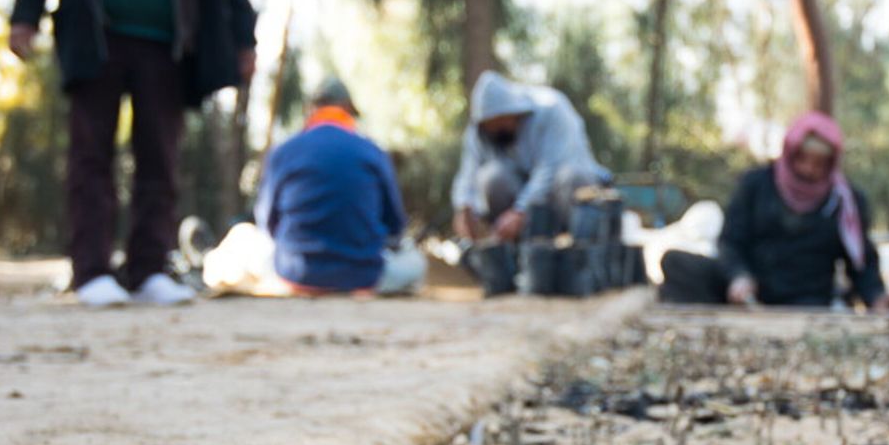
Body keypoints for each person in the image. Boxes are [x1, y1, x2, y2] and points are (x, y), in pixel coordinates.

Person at [9, 0, 257, 307]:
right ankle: (91, 272)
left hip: (169, 41)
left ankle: (150, 270)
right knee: (89, 155)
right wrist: (25, 14)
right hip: (95, 35)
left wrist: (244, 38)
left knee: (161, 157)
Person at [200, 79, 424, 297]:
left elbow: (266, 223)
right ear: (347, 109)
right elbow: (395, 226)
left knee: (241, 236)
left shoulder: (284, 151)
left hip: (293, 273)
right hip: (362, 276)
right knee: (416, 262)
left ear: (311, 109)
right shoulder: (374, 152)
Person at [659, 111, 889, 311]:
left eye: (818, 163)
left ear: (830, 162)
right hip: (750, 289)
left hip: (806, 299)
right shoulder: (755, 184)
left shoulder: (846, 201)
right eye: (804, 159)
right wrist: (739, 276)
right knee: (675, 263)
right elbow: (730, 242)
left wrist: (876, 298)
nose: (809, 169)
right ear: (791, 153)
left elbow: (861, 262)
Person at [451, 71, 608, 244]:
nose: (495, 130)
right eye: (491, 127)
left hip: (561, 196)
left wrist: (520, 211)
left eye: (500, 123)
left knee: (572, 177)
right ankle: (513, 252)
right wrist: (464, 206)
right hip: (524, 202)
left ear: (512, 112)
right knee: (492, 177)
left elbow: (550, 168)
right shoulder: (482, 131)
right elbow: (469, 171)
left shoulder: (553, 107)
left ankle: (579, 251)